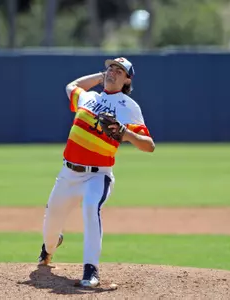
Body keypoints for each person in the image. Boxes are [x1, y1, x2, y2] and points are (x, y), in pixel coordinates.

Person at [38, 57, 155, 287]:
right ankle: (50, 247)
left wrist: (126, 134)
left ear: (127, 80)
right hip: (68, 173)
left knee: (91, 207)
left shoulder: (129, 107)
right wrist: (100, 77)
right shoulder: (89, 97)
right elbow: (71, 86)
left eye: (119, 71)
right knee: (50, 229)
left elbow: (149, 145)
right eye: (110, 68)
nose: (113, 72)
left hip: (98, 174)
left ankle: (91, 270)